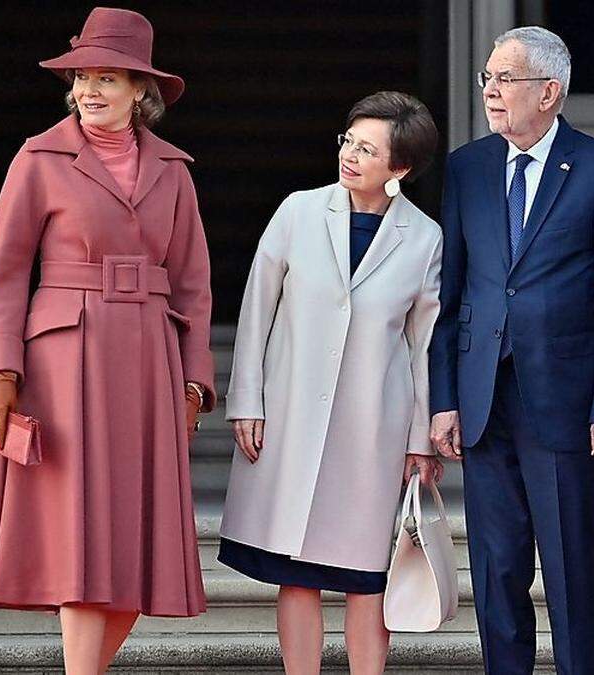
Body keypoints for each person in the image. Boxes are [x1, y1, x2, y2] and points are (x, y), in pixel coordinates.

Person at [0, 7, 214, 673]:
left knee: (141, 554)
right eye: (82, 76)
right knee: (81, 545)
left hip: (149, 364)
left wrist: (195, 381)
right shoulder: (39, 157)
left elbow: (194, 285)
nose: (89, 90)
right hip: (62, 362)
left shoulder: (174, 170)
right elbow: (6, 275)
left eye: (107, 77)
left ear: (142, 90)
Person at [427, 25, 594, 675]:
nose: (491, 91)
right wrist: (443, 399)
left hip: (569, 407)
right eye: (487, 78)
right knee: (496, 571)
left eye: (505, 79)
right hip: (485, 401)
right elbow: (451, 291)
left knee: (573, 570)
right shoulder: (468, 167)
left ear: (549, 92)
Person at [219, 91, 443, 675]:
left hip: (374, 427)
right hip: (291, 414)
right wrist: (247, 400)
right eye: (349, 141)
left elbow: (423, 348)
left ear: (401, 169)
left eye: (369, 150)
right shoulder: (297, 210)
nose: (350, 156)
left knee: (367, 576)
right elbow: (255, 311)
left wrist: (420, 439)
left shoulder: (424, 238)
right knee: (296, 572)